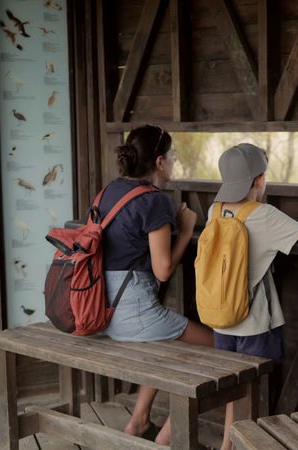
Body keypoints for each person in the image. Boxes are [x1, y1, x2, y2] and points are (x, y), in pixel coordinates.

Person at [98, 125, 214, 445]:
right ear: (160, 162)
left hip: (101, 310)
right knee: (220, 350)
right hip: (134, 314)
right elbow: (163, 271)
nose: (175, 161)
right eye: (173, 155)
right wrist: (187, 229)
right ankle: (169, 438)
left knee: (172, 343)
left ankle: (138, 421)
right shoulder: (155, 201)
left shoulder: (108, 192)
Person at [205, 143, 298, 450]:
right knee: (257, 395)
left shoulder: (215, 210)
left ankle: (226, 446)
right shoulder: (265, 215)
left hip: (221, 319)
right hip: (255, 323)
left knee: (235, 390)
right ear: (259, 180)